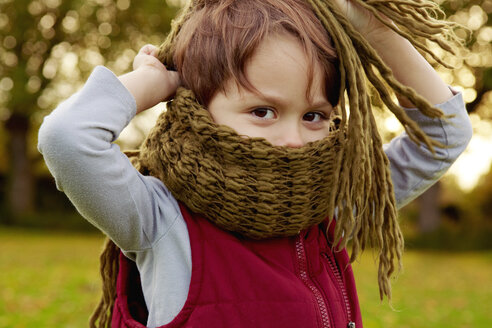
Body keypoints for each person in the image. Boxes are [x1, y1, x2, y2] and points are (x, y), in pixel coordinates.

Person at [38, 0, 472, 327]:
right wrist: (153, 82)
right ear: (196, 106)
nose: (292, 139)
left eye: (313, 115)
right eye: (262, 111)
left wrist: (363, 21)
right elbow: (68, 138)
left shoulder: (329, 209)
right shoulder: (160, 219)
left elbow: (443, 134)